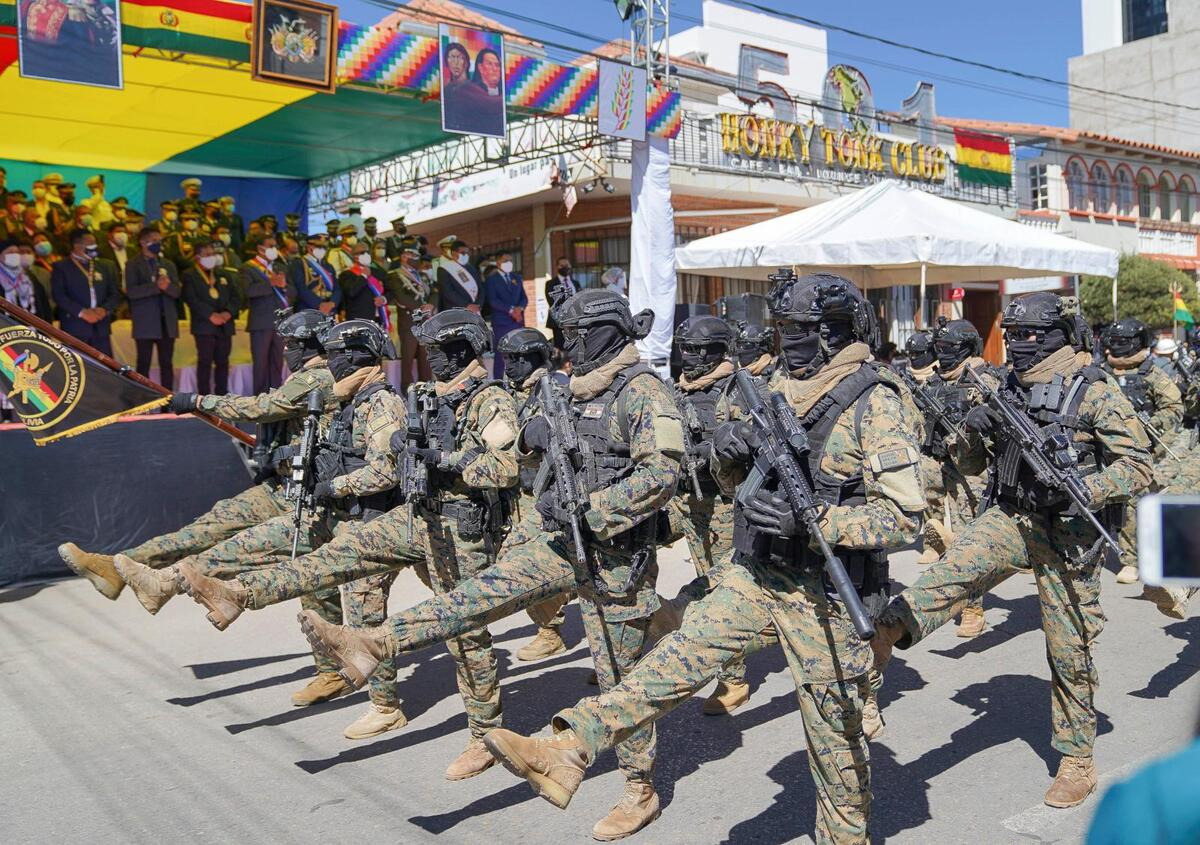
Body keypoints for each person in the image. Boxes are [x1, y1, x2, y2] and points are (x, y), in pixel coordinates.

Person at [477, 273, 924, 843]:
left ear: (835, 334)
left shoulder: (875, 402)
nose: (787, 342)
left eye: (801, 331)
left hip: (830, 597)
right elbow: (737, 486)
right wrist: (732, 459)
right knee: (671, 662)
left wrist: (820, 524)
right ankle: (566, 747)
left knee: (835, 749)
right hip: (758, 573)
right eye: (781, 329)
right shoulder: (782, 390)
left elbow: (904, 515)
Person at [293, 290, 681, 839]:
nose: (565, 346)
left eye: (574, 335)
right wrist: (530, 435)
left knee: (619, 677)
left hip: (616, 559)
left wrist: (590, 513)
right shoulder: (567, 389)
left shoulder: (643, 392)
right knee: (475, 597)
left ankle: (638, 789)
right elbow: (510, 452)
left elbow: (663, 474)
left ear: (606, 333)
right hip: (560, 542)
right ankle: (376, 642)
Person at [174, 315, 512, 748]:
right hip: (416, 516)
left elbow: (501, 467)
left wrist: (437, 460)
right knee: (329, 564)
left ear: (462, 351)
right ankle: (238, 593)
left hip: (458, 526)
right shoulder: (418, 397)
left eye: (437, 353)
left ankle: (482, 731)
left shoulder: (485, 400)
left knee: (463, 628)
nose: (430, 361)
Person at [873, 292, 1154, 810]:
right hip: (1011, 516)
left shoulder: (1092, 391)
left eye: (1033, 336)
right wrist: (974, 434)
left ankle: (1077, 757)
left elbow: (1138, 465)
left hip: (1069, 532)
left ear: (1059, 337)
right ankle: (885, 636)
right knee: (951, 572)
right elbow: (972, 463)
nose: (1021, 345)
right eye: (1015, 334)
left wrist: (1082, 488)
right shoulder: (1002, 386)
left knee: (1068, 645)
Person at [663, 314, 761, 715]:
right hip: (685, 499)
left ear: (720, 352)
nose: (690, 359)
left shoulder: (740, 391)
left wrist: (722, 451)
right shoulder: (676, 392)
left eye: (699, 352)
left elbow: (758, 442)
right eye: (685, 350)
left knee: (720, 589)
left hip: (725, 502)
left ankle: (733, 680)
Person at [918, 318, 1001, 638]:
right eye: (938, 349)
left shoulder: (984, 379)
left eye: (949, 349)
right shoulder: (934, 380)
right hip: (936, 460)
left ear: (967, 348)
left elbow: (995, 426)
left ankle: (973, 608)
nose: (943, 355)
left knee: (968, 540)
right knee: (928, 514)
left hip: (972, 468)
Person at [496, 327, 574, 662]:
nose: (510, 366)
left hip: (548, 492)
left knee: (521, 559)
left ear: (535, 359)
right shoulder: (508, 392)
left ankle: (549, 630)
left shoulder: (555, 389)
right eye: (507, 359)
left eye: (517, 359)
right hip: (516, 492)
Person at [1098, 319, 1186, 585]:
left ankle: (1131, 560)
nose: (1118, 347)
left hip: (1147, 451)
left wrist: (1148, 425)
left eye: (1124, 342)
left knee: (1134, 504)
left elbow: (1174, 409)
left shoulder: (1154, 374)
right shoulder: (1102, 374)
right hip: (1105, 449)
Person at [125, 227, 182, 390]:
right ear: (143, 242)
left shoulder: (168, 264)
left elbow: (177, 292)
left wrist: (167, 287)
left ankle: (169, 402)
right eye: (154, 240)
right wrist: (156, 287)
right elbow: (132, 292)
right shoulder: (133, 264)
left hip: (167, 322)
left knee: (167, 363)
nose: (158, 244)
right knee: (143, 363)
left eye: (160, 241)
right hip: (145, 322)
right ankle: (142, 399)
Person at [50, 229, 120, 355]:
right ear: (77, 245)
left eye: (95, 242)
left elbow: (115, 293)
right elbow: (59, 296)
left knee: (104, 368)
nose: (94, 246)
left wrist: (104, 309)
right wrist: (82, 312)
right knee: (77, 367)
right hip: (74, 327)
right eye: (90, 243)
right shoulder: (61, 267)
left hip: (101, 326)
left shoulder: (106, 265)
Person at [242, 235, 296, 394]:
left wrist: (285, 286)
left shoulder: (280, 267)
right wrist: (270, 283)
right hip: (260, 322)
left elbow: (294, 292)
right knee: (261, 364)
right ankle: (260, 398)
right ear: (260, 248)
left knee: (277, 363)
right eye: (270, 246)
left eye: (275, 246)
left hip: (280, 322)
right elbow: (247, 291)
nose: (274, 249)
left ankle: (275, 397)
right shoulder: (248, 267)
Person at [182, 240, 237, 395]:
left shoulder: (223, 273)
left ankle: (222, 396)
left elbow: (236, 297)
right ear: (198, 257)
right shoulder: (189, 275)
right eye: (208, 255)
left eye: (213, 254)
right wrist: (210, 315)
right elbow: (191, 299)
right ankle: (204, 398)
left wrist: (227, 313)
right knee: (205, 362)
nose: (212, 257)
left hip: (225, 325)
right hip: (204, 326)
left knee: (223, 362)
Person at [388, 246, 433, 389]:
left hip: (426, 320)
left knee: (426, 359)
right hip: (409, 321)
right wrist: (420, 308)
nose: (416, 259)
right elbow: (400, 296)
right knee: (407, 359)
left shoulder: (423, 276)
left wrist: (431, 305)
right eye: (412, 255)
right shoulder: (395, 275)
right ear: (404, 257)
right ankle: (408, 390)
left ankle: (426, 389)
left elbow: (435, 291)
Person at [485, 252, 526, 378]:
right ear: (498, 263)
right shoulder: (492, 279)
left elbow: (523, 297)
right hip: (502, 321)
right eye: (505, 260)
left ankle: (520, 377)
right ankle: (498, 381)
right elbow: (493, 300)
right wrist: (511, 310)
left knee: (520, 350)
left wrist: (520, 308)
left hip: (517, 320)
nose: (509, 263)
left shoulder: (516, 277)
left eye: (510, 260)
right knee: (501, 352)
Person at [338, 242, 391, 330]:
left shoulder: (379, 272)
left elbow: (390, 290)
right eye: (362, 253)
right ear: (354, 256)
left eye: (367, 252)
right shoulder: (346, 274)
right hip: (359, 320)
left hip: (380, 317)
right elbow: (351, 292)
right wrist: (363, 276)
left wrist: (383, 299)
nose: (366, 255)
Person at [289, 232, 340, 316]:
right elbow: (300, 287)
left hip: (329, 310)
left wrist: (332, 303)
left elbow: (337, 288)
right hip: (308, 310)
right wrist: (319, 304)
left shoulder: (328, 266)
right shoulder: (299, 263)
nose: (322, 250)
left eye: (324, 247)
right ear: (309, 247)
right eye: (319, 247)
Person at [434, 237, 483, 312]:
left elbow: (480, 287)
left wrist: (479, 304)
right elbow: (448, 292)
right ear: (453, 253)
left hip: (475, 309)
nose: (466, 255)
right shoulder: (444, 269)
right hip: (456, 310)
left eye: (467, 253)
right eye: (463, 253)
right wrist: (467, 305)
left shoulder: (471, 267)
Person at [544, 257, 579, 349]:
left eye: (567, 265)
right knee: (561, 347)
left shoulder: (575, 283)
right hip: (559, 321)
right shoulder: (550, 283)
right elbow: (552, 302)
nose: (565, 267)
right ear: (557, 267)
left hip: (576, 319)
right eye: (562, 265)